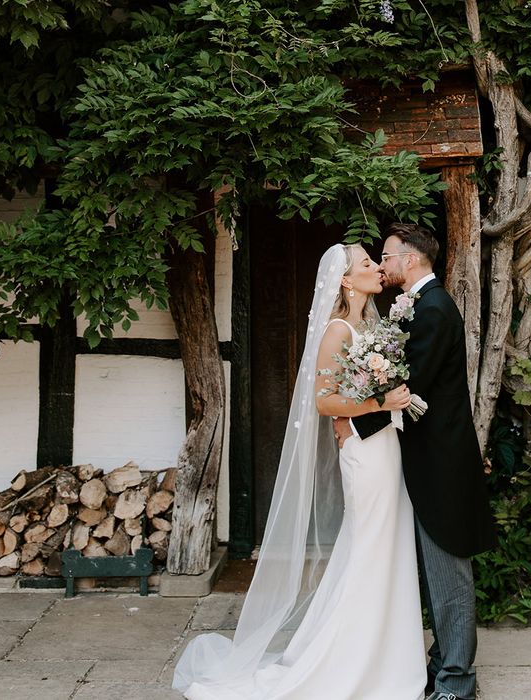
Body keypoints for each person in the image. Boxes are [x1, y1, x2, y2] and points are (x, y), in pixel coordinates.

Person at [173, 243, 426, 700]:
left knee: (384, 546)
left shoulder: (371, 324)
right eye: (367, 263)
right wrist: (382, 401)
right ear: (347, 281)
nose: (376, 268)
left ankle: (384, 654)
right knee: (370, 548)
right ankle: (351, 661)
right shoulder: (337, 329)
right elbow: (325, 402)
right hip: (365, 455)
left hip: (386, 447)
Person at [337, 223, 496, 700]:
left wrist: (355, 426)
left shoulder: (433, 310)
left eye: (386, 256)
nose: (382, 265)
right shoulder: (419, 305)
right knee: (435, 572)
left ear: (410, 259)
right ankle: (439, 664)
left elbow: (410, 385)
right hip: (426, 458)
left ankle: (457, 683)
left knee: (448, 574)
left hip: (441, 463)